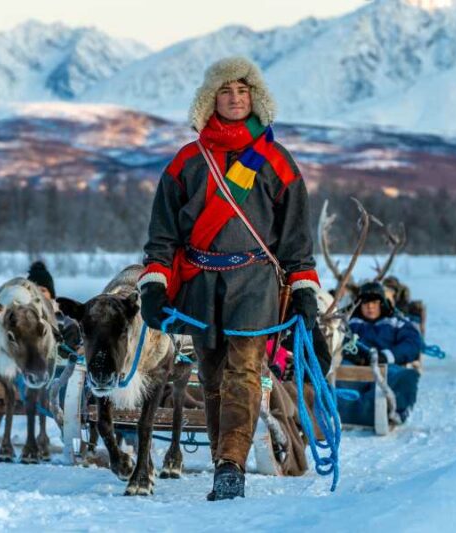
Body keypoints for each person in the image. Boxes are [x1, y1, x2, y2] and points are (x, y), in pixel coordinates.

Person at [137, 57, 320, 500]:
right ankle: (226, 458)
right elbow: (163, 232)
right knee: (213, 376)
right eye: (226, 91)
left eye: (243, 91)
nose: (235, 99)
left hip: (256, 283)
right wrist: (155, 283)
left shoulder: (275, 160)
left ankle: (230, 466)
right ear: (210, 99)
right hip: (201, 284)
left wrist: (302, 288)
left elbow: (295, 234)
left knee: (244, 373)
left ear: (255, 97)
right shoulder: (187, 162)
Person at [338, 281, 423, 425]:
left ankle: (391, 411)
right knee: (336, 377)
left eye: (374, 303)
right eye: (365, 303)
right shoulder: (350, 322)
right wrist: (352, 353)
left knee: (406, 377)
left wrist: (388, 355)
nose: (370, 307)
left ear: (382, 303)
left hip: (387, 366)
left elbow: (413, 344)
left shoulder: (397, 322)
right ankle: (343, 413)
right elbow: (339, 340)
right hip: (356, 367)